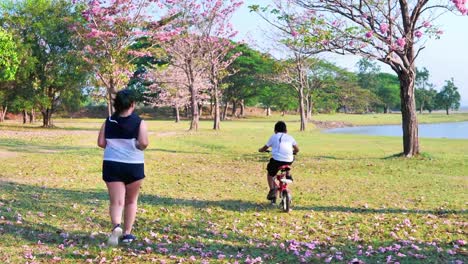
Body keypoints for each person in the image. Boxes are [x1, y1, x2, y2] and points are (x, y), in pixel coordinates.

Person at [97, 89, 149, 246]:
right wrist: (137, 145)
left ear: (116, 105)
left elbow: (101, 143)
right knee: (131, 201)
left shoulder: (109, 121)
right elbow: (144, 143)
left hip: (112, 165)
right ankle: (127, 233)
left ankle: (116, 227)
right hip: (133, 166)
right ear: (132, 104)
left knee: (116, 202)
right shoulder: (139, 122)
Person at [258, 121, 299, 201]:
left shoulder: (273, 136)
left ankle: (273, 189)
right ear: (286, 130)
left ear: (275, 131)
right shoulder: (290, 137)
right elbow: (297, 149)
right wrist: (294, 152)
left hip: (276, 160)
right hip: (288, 160)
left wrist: (260, 150)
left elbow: (264, 148)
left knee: (270, 174)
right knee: (290, 159)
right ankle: (288, 173)